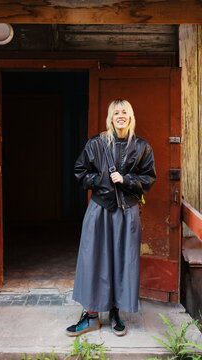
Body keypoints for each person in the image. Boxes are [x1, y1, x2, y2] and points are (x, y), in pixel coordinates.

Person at [66, 99, 156, 337]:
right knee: (93, 258)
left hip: (128, 212)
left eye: (124, 111)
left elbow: (148, 178)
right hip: (99, 209)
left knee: (122, 260)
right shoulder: (96, 143)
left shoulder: (141, 146)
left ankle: (116, 311)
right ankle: (92, 315)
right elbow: (80, 172)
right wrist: (102, 180)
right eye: (116, 112)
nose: (120, 115)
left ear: (131, 116)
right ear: (110, 117)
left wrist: (125, 180)